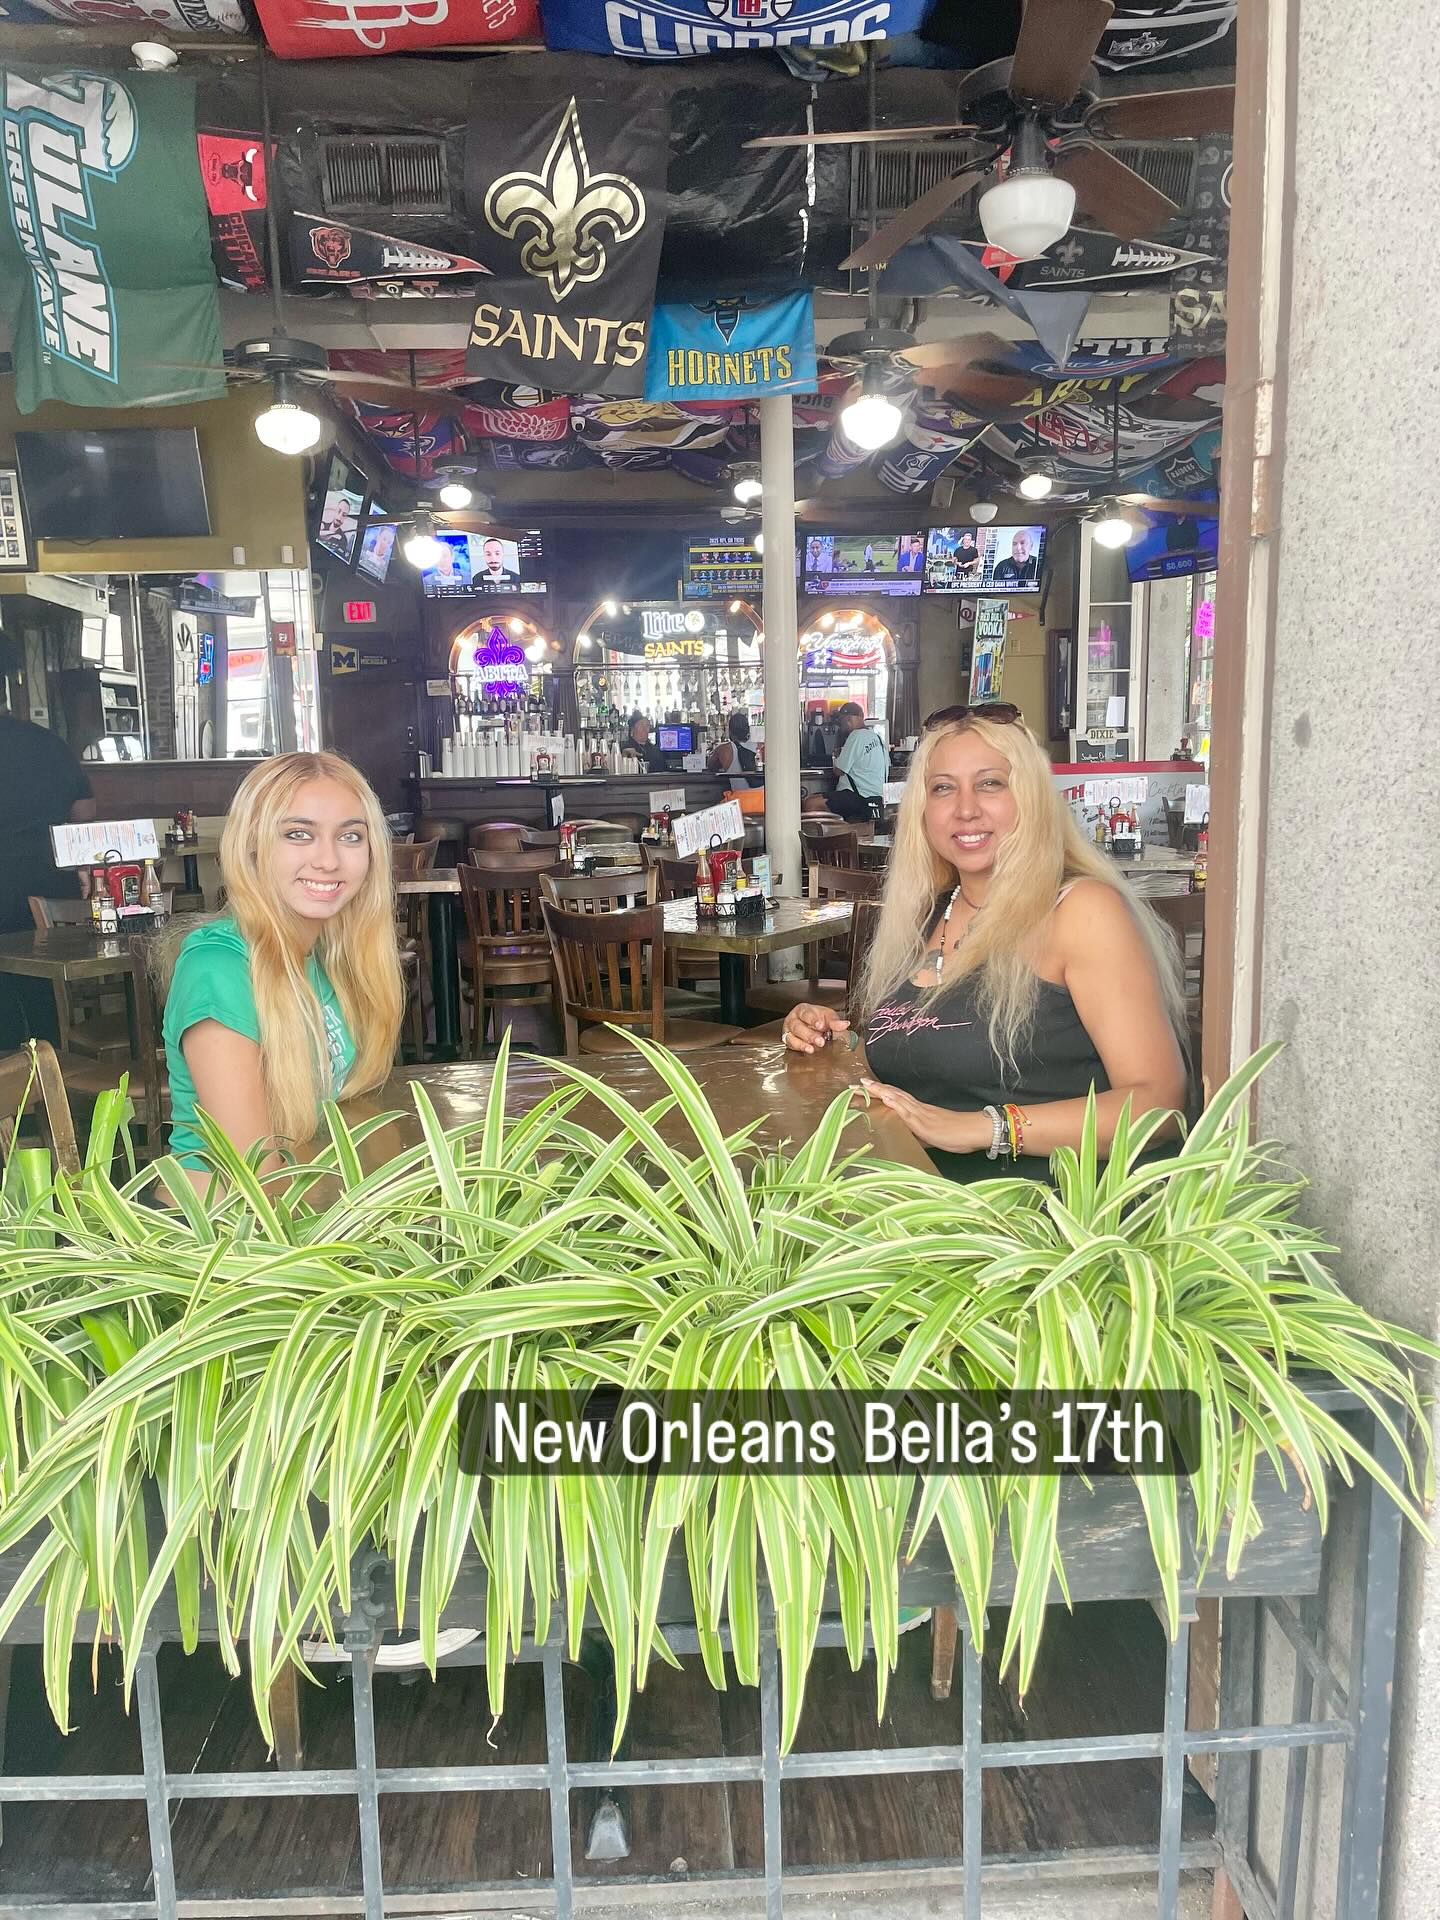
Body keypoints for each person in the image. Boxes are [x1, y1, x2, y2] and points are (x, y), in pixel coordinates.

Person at [780, 706, 1188, 1182]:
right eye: (943, 788)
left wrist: (982, 1128)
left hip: (1050, 1207)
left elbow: (1157, 1105)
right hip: (927, 1198)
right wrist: (834, 1038)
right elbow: (929, 1057)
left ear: (1031, 798)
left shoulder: (1080, 910)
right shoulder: (928, 913)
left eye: (991, 783)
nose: (966, 808)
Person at [158, 751, 404, 1190]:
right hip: (223, 1224)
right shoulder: (218, 968)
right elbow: (258, 1178)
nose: (328, 860)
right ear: (252, 846)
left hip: (309, 1201)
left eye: (350, 836)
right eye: (298, 834)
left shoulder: (324, 956)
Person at [0, 690, 95, 1049]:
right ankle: (53, 1060)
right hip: (49, 884)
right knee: (45, 985)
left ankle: (12, 1070)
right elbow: (85, 811)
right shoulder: (48, 743)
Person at [829, 701, 887, 822]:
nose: (841, 727)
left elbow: (838, 771)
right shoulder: (877, 738)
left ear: (847, 719)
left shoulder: (855, 736)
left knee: (811, 803)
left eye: (841, 722)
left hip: (857, 798)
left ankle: (833, 833)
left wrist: (836, 757)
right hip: (877, 800)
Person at [707, 711, 758, 788]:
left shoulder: (724, 749)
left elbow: (711, 766)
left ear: (730, 731)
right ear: (748, 729)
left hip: (740, 794)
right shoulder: (759, 746)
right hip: (761, 794)